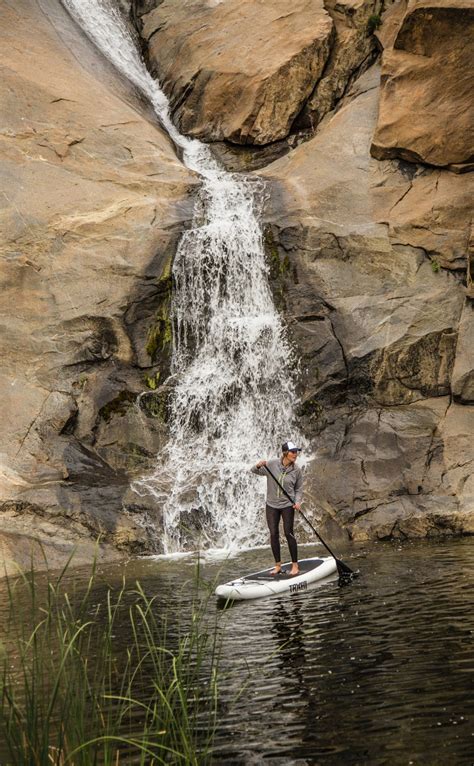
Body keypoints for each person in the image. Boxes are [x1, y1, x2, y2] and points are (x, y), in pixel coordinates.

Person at [251, 441, 303, 576]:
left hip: (287, 505)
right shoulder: (272, 463)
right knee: (274, 533)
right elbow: (254, 471)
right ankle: (278, 565)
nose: (295, 454)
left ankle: (295, 566)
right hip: (272, 505)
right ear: (285, 453)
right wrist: (258, 465)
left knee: (288, 532)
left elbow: (298, 489)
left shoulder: (296, 470)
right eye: (293, 452)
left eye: (296, 452)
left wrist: (297, 502)